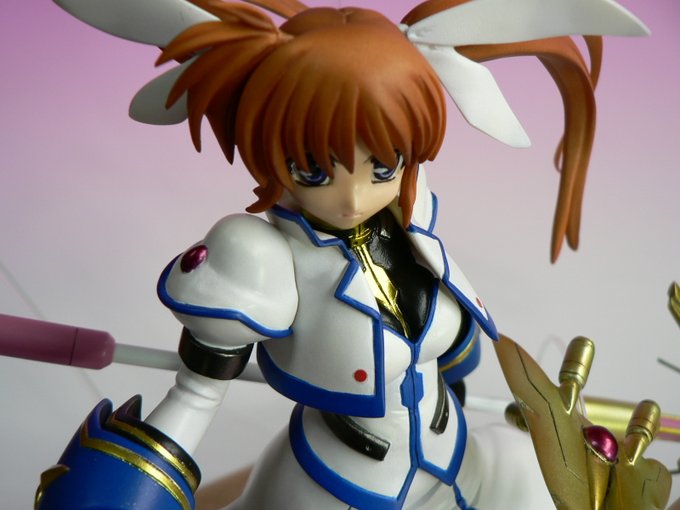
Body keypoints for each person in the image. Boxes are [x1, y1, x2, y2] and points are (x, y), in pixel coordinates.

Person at [36, 1, 651, 508]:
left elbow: (451, 346)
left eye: (382, 165)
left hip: (453, 459)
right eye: (313, 170)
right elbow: (198, 393)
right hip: (339, 487)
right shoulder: (257, 256)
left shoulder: (412, 216)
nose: (354, 197)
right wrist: (130, 483)